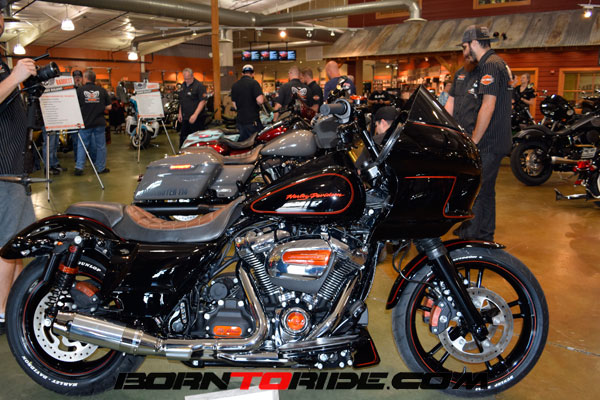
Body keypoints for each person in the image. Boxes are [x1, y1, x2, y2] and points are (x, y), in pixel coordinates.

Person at [447, 25, 512, 242]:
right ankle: (485, 236)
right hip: (494, 141)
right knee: (486, 191)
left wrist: (474, 140)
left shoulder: (490, 65)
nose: (464, 52)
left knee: (475, 190)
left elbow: (488, 106)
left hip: (488, 142)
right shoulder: (494, 64)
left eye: (465, 47)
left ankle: (470, 240)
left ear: (474, 43)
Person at [0, 10, 38, 335]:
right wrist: (14, 78)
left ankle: (12, 304)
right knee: (5, 246)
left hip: (16, 170)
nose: (0, 21)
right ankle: (1, 312)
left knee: (19, 244)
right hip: (2, 172)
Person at [74, 69, 111, 176]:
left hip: (85, 122)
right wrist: (99, 106)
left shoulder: (79, 91)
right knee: (101, 146)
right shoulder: (102, 90)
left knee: (82, 145)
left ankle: (79, 167)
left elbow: (74, 106)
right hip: (99, 122)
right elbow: (109, 107)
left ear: (85, 78)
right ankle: (101, 168)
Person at [230, 64, 265, 141]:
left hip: (240, 121)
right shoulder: (254, 83)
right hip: (252, 121)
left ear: (242, 73)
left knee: (243, 143)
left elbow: (235, 105)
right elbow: (260, 100)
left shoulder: (235, 85)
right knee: (255, 143)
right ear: (253, 74)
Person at [177, 67, 207, 148]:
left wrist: (195, 115)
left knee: (196, 139)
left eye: (188, 79)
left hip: (197, 118)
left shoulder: (199, 86)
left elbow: (202, 101)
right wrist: (180, 113)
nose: (186, 80)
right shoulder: (183, 85)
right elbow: (182, 100)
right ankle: (182, 153)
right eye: (185, 78)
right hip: (185, 117)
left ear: (192, 76)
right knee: (183, 138)